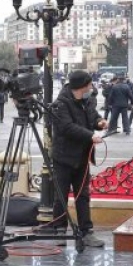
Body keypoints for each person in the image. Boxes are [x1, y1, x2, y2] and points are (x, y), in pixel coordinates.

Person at [48, 70, 107, 248]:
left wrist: (99, 122)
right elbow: (67, 127)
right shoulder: (61, 104)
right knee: (61, 195)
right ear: (82, 86)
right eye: (89, 84)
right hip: (64, 157)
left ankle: (86, 231)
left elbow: (92, 115)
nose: (91, 87)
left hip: (82, 156)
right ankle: (59, 230)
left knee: (83, 195)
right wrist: (90, 136)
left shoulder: (86, 100)